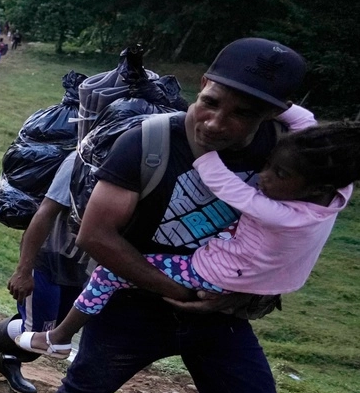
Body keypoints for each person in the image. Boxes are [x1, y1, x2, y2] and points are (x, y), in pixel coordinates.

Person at [32, 38, 313, 393]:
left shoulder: (283, 155)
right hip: (133, 300)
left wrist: (247, 295)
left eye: (242, 114)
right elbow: (97, 235)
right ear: (202, 82)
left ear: (273, 115)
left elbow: (299, 227)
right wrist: (178, 291)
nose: (216, 123)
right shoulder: (147, 142)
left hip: (221, 307)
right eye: (211, 102)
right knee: (86, 387)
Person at [19, 105, 355, 358]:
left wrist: (200, 145)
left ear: (314, 187)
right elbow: (304, 119)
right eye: (267, 165)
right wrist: (260, 99)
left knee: (107, 274)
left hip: (214, 273)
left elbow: (227, 186)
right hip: (248, 271)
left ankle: (59, 337)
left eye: (278, 173)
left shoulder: (281, 213)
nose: (263, 177)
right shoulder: (332, 190)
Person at [0, 152, 89, 393]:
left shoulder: (138, 166)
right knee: (41, 338)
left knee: (55, 331)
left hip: (82, 266)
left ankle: (8, 359)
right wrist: (25, 269)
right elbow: (45, 212)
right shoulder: (81, 161)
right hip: (48, 258)